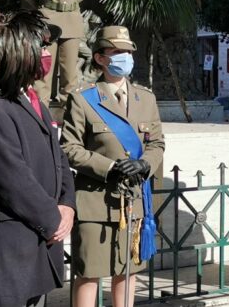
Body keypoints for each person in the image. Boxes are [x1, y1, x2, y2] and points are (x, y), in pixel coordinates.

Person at [0, 10, 75, 306]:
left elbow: (59, 157)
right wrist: (54, 219)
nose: (46, 53)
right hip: (11, 251)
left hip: (39, 242)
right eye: (40, 47)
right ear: (20, 53)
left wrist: (67, 203)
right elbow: (12, 179)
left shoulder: (31, 100)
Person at [60, 25, 165, 307]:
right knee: (89, 275)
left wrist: (144, 164)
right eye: (116, 52)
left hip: (133, 202)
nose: (124, 57)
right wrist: (109, 167)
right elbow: (68, 148)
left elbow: (157, 144)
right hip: (95, 201)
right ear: (99, 58)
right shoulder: (83, 99)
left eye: (127, 52)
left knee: (126, 273)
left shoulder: (147, 99)